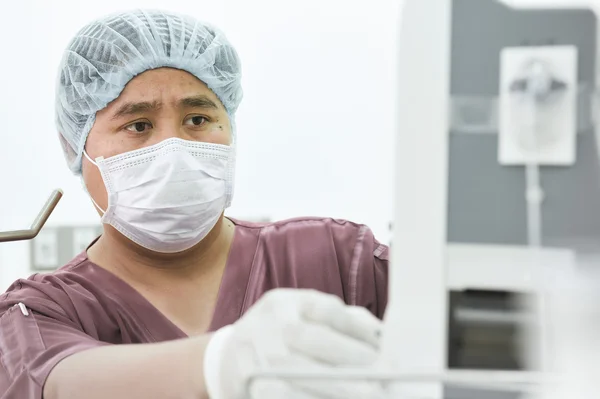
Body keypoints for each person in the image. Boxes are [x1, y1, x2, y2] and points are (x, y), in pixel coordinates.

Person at [0, 9, 389, 399]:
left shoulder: (336, 261)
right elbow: (56, 381)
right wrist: (225, 363)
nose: (175, 149)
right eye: (139, 125)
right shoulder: (43, 310)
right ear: (75, 146)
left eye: (199, 119)